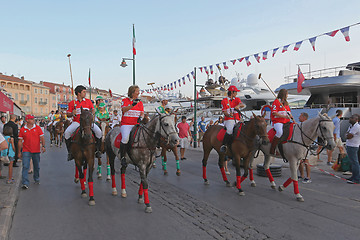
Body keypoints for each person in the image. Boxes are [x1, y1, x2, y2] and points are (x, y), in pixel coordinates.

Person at [64, 85, 102, 161]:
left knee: (99, 132)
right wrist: (72, 113)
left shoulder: (88, 101)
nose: (85, 93)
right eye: (84, 92)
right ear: (78, 93)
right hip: (77, 122)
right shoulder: (72, 103)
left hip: (88, 124)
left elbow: (93, 110)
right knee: (67, 133)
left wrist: (92, 112)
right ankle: (70, 152)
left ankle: (98, 150)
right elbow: (68, 114)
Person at [18, 115, 46, 189]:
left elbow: (42, 137)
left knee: (36, 166)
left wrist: (43, 146)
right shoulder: (22, 129)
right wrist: (19, 152)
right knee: (25, 166)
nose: (33, 120)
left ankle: (36, 178)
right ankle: (25, 182)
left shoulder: (37, 128)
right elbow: (20, 141)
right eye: (31, 119)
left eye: (33, 119)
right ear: (27, 120)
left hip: (36, 150)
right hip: (26, 150)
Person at [119, 85, 144, 166]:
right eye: (137, 91)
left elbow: (142, 113)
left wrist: (141, 117)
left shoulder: (140, 102)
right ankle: (123, 157)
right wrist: (132, 105)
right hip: (126, 124)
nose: (138, 93)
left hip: (136, 124)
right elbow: (123, 110)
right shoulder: (124, 100)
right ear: (132, 92)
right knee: (125, 138)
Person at [220, 85, 245, 152]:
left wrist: (238, 106)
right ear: (232, 92)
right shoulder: (224, 101)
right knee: (230, 130)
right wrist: (229, 115)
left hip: (237, 119)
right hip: (228, 120)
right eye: (235, 92)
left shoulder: (237, 99)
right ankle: (224, 145)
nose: (236, 93)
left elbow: (242, 104)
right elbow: (224, 112)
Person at [270, 88, 292, 155]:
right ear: (284, 94)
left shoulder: (286, 103)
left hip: (286, 122)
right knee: (279, 132)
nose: (287, 95)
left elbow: (289, 113)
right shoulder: (276, 102)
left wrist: (291, 117)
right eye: (287, 94)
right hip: (278, 122)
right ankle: (273, 148)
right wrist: (284, 116)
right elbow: (274, 113)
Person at [345, 114, 360, 184]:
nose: (350, 118)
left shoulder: (356, 126)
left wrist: (347, 135)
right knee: (352, 162)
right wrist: (347, 135)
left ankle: (357, 178)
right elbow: (347, 134)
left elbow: (349, 136)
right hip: (349, 145)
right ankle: (353, 176)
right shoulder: (351, 126)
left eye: (352, 118)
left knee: (355, 162)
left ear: (356, 120)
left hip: (353, 146)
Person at [297, 113, 312, 183]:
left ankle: (308, 177)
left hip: (305, 145)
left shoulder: (307, 125)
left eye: (300, 116)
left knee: (306, 161)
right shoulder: (300, 125)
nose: (299, 117)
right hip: (299, 145)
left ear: (304, 117)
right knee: (300, 161)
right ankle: (302, 175)